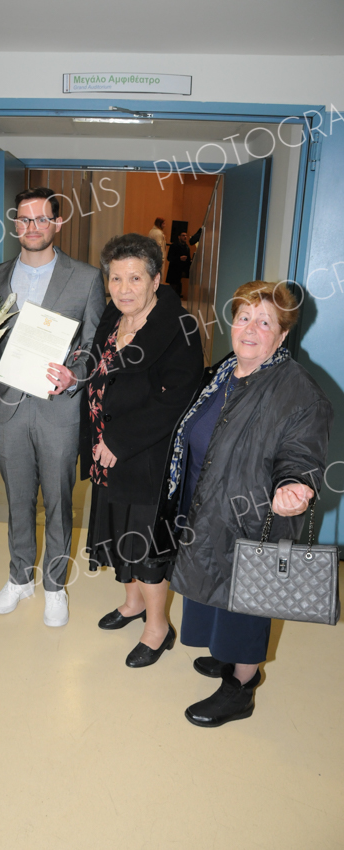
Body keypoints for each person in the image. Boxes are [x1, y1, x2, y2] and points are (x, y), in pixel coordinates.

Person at [168, 280, 333, 726]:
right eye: (244, 317)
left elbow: (300, 454)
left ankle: (241, 686)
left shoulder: (298, 391)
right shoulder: (226, 370)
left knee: (245, 601)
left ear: (282, 335)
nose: (251, 329)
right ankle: (226, 656)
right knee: (212, 586)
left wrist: (294, 484)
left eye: (265, 322)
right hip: (207, 502)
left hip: (252, 517)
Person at [0, 187, 106, 626]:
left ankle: (54, 586)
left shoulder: (86, 278)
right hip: (9, 406)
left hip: (58, 408)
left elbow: (96, 344)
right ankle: (19, 578)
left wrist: (74, 375)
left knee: (60, 501)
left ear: (57, 223)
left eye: (42, 219)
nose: (32, 227)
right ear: (15, 223)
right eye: (24, 219)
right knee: (18, 498)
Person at [71, 233, 203, 666]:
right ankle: (132, 604)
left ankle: (157, 627)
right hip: (105, 451)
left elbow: (178, 399)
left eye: (135, 278)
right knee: (117, 533)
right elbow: (99, 369)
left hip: (147, 457)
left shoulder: (178, 327)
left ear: (155, 280)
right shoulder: (114, 316)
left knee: (145, 545)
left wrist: (120, 441)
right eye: (116, 278)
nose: (124, 288)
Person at [166, 232, 191, 299]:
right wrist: (179, 258)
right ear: (179, 237)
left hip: (182, 270)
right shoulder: (173, 246)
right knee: (173, 288)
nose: (185, 237)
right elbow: (169, 258)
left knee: (179, 289)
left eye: (186, 235)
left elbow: (188, 259)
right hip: (174, 270)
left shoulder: (187, 247)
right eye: (183, 235)